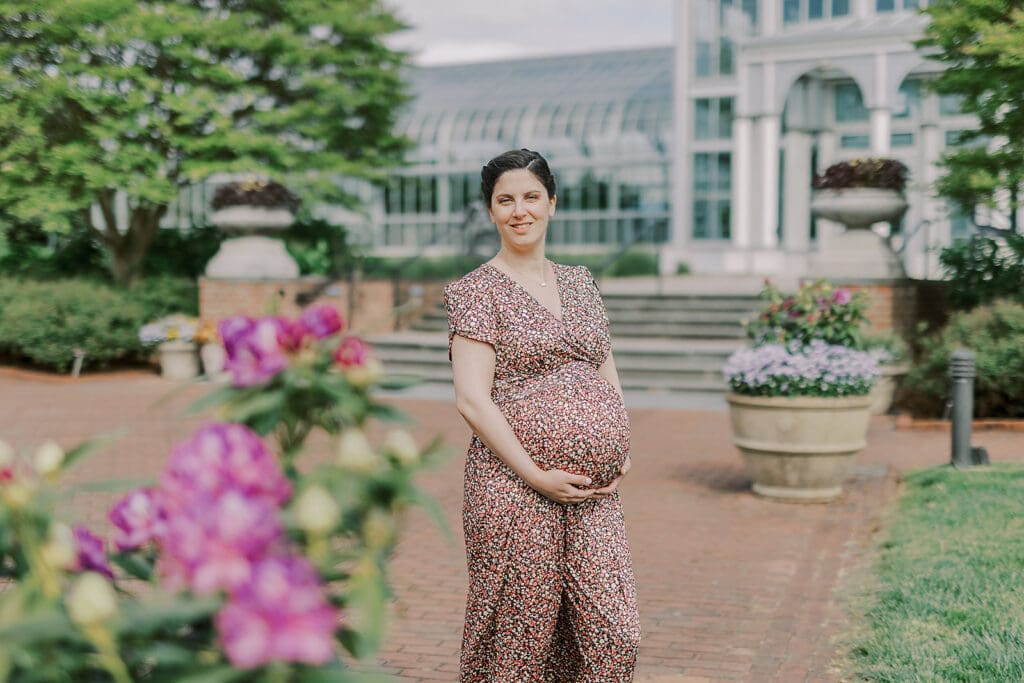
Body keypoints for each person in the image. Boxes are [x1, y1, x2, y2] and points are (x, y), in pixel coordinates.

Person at [444, 149, 640, 682]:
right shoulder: (476, 291)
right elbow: (472, 400)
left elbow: (605, 365)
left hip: (593, 493)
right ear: (491, 212)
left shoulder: (580, 282)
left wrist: (619, 443)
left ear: (552, 204)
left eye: (531, 197)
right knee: (520, 636)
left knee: (612, 632)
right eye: (505, 200)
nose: (519, 210)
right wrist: (536, 474)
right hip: (512, 487)